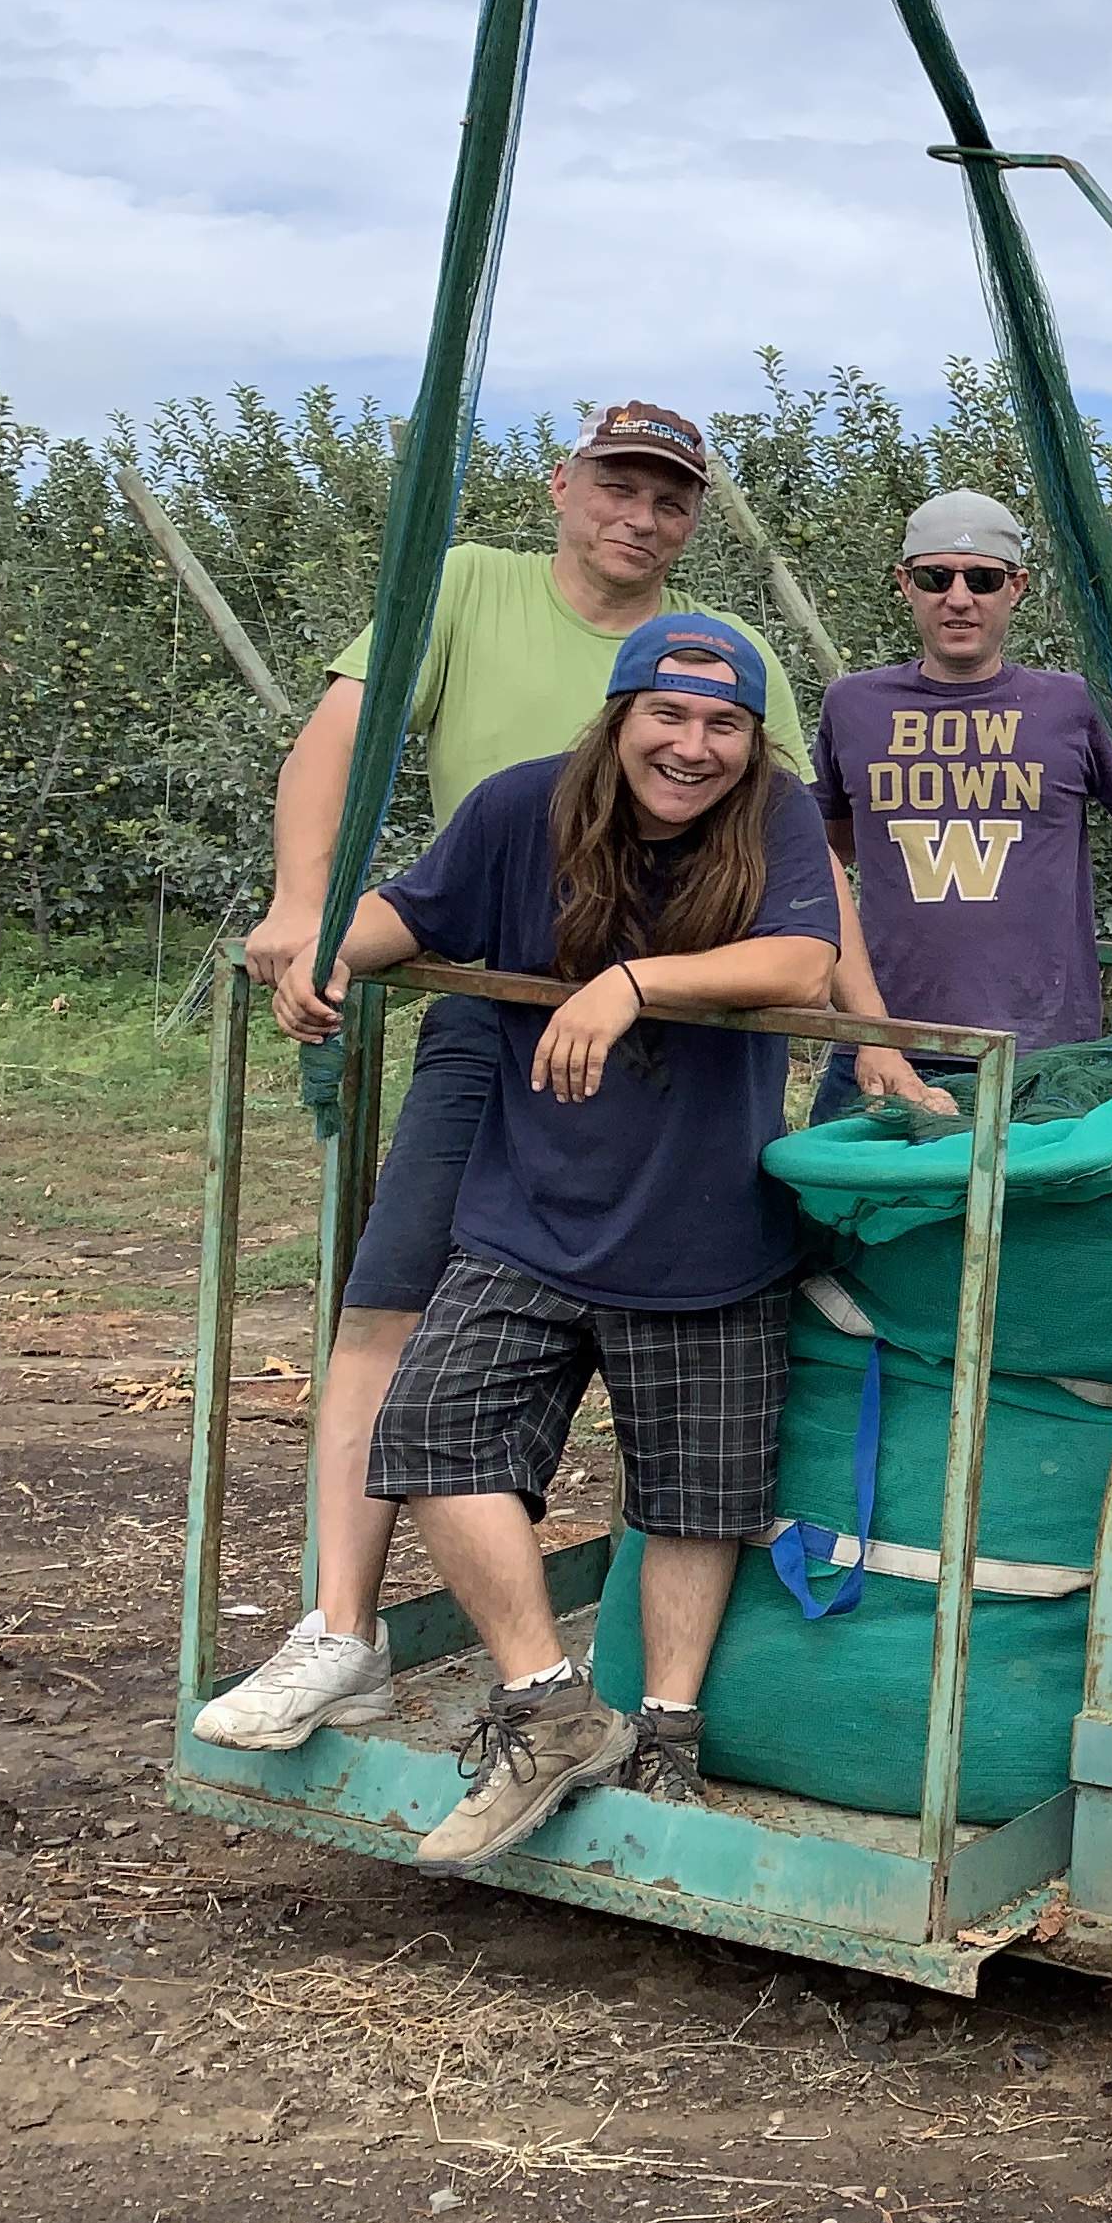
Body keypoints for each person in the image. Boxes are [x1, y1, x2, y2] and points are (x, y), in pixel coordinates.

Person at [193, 402, 812, 1753]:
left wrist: (868, 1038)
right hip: (495, 1000)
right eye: (618, 486)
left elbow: (804, 874)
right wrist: (309, 921)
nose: (640, 516)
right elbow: (339, 748)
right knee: (397, 1300)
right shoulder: (471, 587)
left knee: (687, 1328)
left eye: (670, 499)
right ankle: (342, 1629)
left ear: (694, 519)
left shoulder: (723, 655)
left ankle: (653, 1703)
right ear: (564, 486)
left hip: (680, 1039)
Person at [284, 612, 840, 1866]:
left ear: (752, 742)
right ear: (621, 715)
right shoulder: (522, 809)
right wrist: (316, 957)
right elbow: (411, 914)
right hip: (528, 1214)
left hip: (709, 1221)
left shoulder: (777, 815)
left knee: (695, 1497)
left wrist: (633, 981)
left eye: (724, 726)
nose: (693, 748)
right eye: (671, 717)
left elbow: (807, 961)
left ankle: (668, 1743)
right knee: (429, 1431)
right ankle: (549, 1709)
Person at [810, 489, 1112, 1124]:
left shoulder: (1070, 705)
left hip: (1044, 1047)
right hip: (886, 1039)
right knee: (842, 1212)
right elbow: (829, 855)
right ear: (904, 584)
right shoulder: (851, 706)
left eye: (982, 578)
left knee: (1027, 1218)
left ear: (1017, 587)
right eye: (935, 576)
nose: (958, 597)